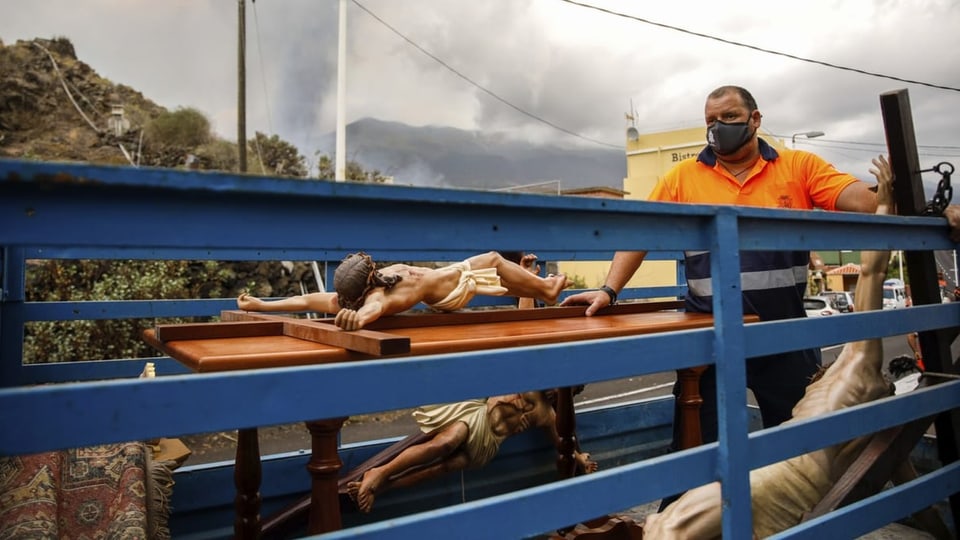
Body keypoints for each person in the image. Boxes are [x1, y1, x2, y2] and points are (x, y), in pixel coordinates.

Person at [561, 85, 887, 508]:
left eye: (729, 117)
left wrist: (911, 200)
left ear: (755, 120)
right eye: (710, 120)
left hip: (783, 336)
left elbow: (864, 200)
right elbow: (640, 233)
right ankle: (678, 524)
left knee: (799, 449)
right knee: (695, 450)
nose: (718, 128)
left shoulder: (799, 167)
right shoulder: (682, 177)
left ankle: (797, 526)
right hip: (711, 338)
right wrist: (609, 290)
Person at [345, 390, 598, 513]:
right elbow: (520, 324)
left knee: (441, 468)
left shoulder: (547, 415)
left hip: (489, 445)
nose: (556, 391)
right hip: (478, 419)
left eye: (566, 393)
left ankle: (383, 487)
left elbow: (563, 441)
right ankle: (379, 472)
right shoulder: (529, 377)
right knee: (443, 444)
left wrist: (580, 459)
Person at [237, 251, 569, 330]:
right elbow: (368, 313)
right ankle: (547, 289)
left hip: (447, 279)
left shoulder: (374, 282)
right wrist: (354, 320)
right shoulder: (375, 298)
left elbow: (306, 298)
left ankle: (533, 283)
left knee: (494, 265)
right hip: (449, 288)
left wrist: (261, 304)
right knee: (494, 259)